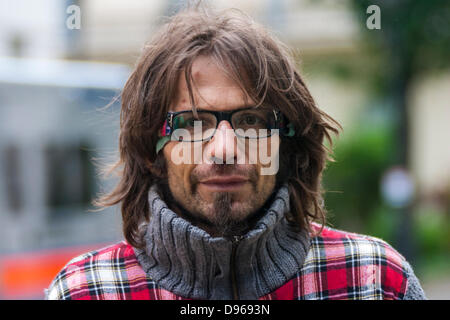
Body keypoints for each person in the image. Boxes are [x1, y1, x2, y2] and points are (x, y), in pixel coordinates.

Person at [46, 6, 426, 300]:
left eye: (252, 121)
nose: (224, 150)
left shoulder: (374, 280)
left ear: (286, 142)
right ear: (151, 148)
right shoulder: (85, 290)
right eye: (193, 123)